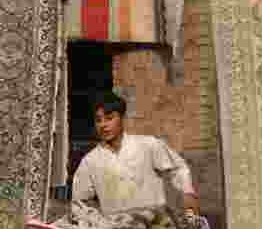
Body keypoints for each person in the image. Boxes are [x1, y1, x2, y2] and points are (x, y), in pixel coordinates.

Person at [71, 91, 200, 218]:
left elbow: (178, 168)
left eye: (109, 118)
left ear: (122, 118)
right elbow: (79, 202)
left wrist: (187, 192)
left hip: (156, 227)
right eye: (98, 120)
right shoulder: (90, 161)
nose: (103, 125)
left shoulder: (147, 145)